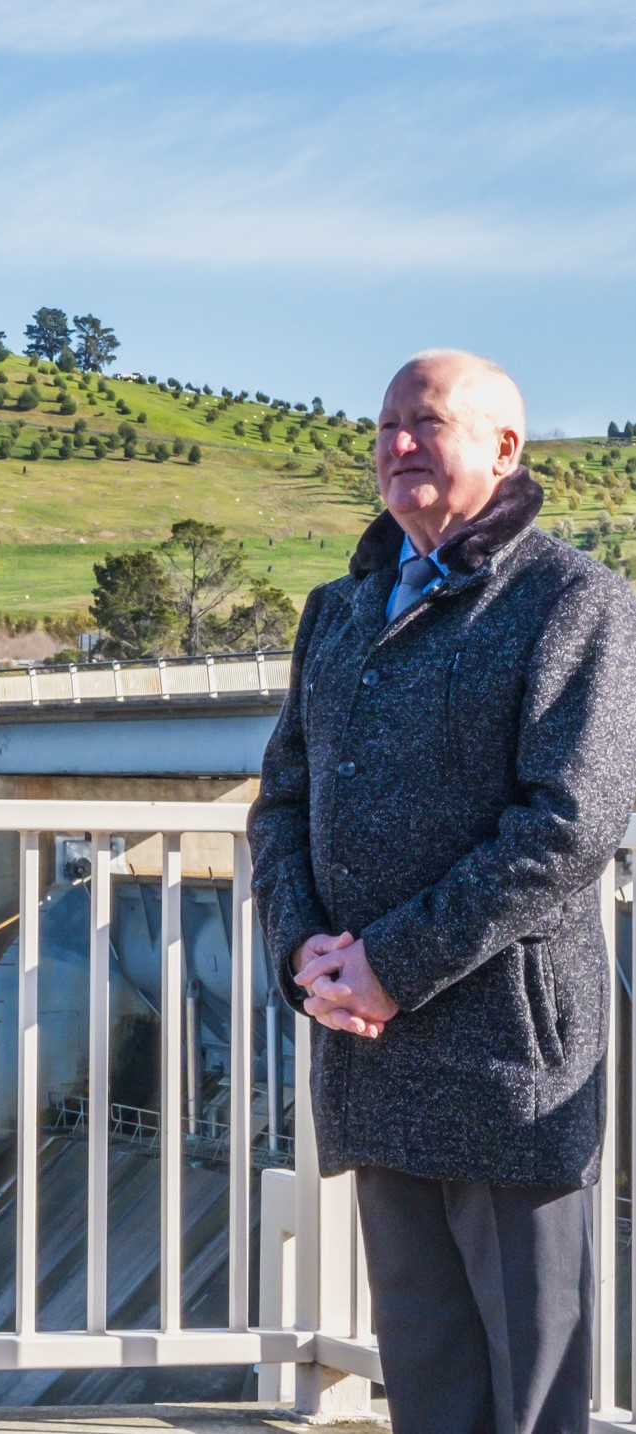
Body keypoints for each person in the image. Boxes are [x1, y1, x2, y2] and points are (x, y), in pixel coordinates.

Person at [248, 349, 636, 1434]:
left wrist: (386, 964)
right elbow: (279, 804)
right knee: (424, 1385)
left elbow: (569, 823)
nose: (398, 445)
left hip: (505, 1058)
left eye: (425, 423)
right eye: (383, 428)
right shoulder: (337, 610)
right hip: (370, 1053)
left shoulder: (574, 600)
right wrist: (304, 958)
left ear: (504, 447)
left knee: (529, 1393)